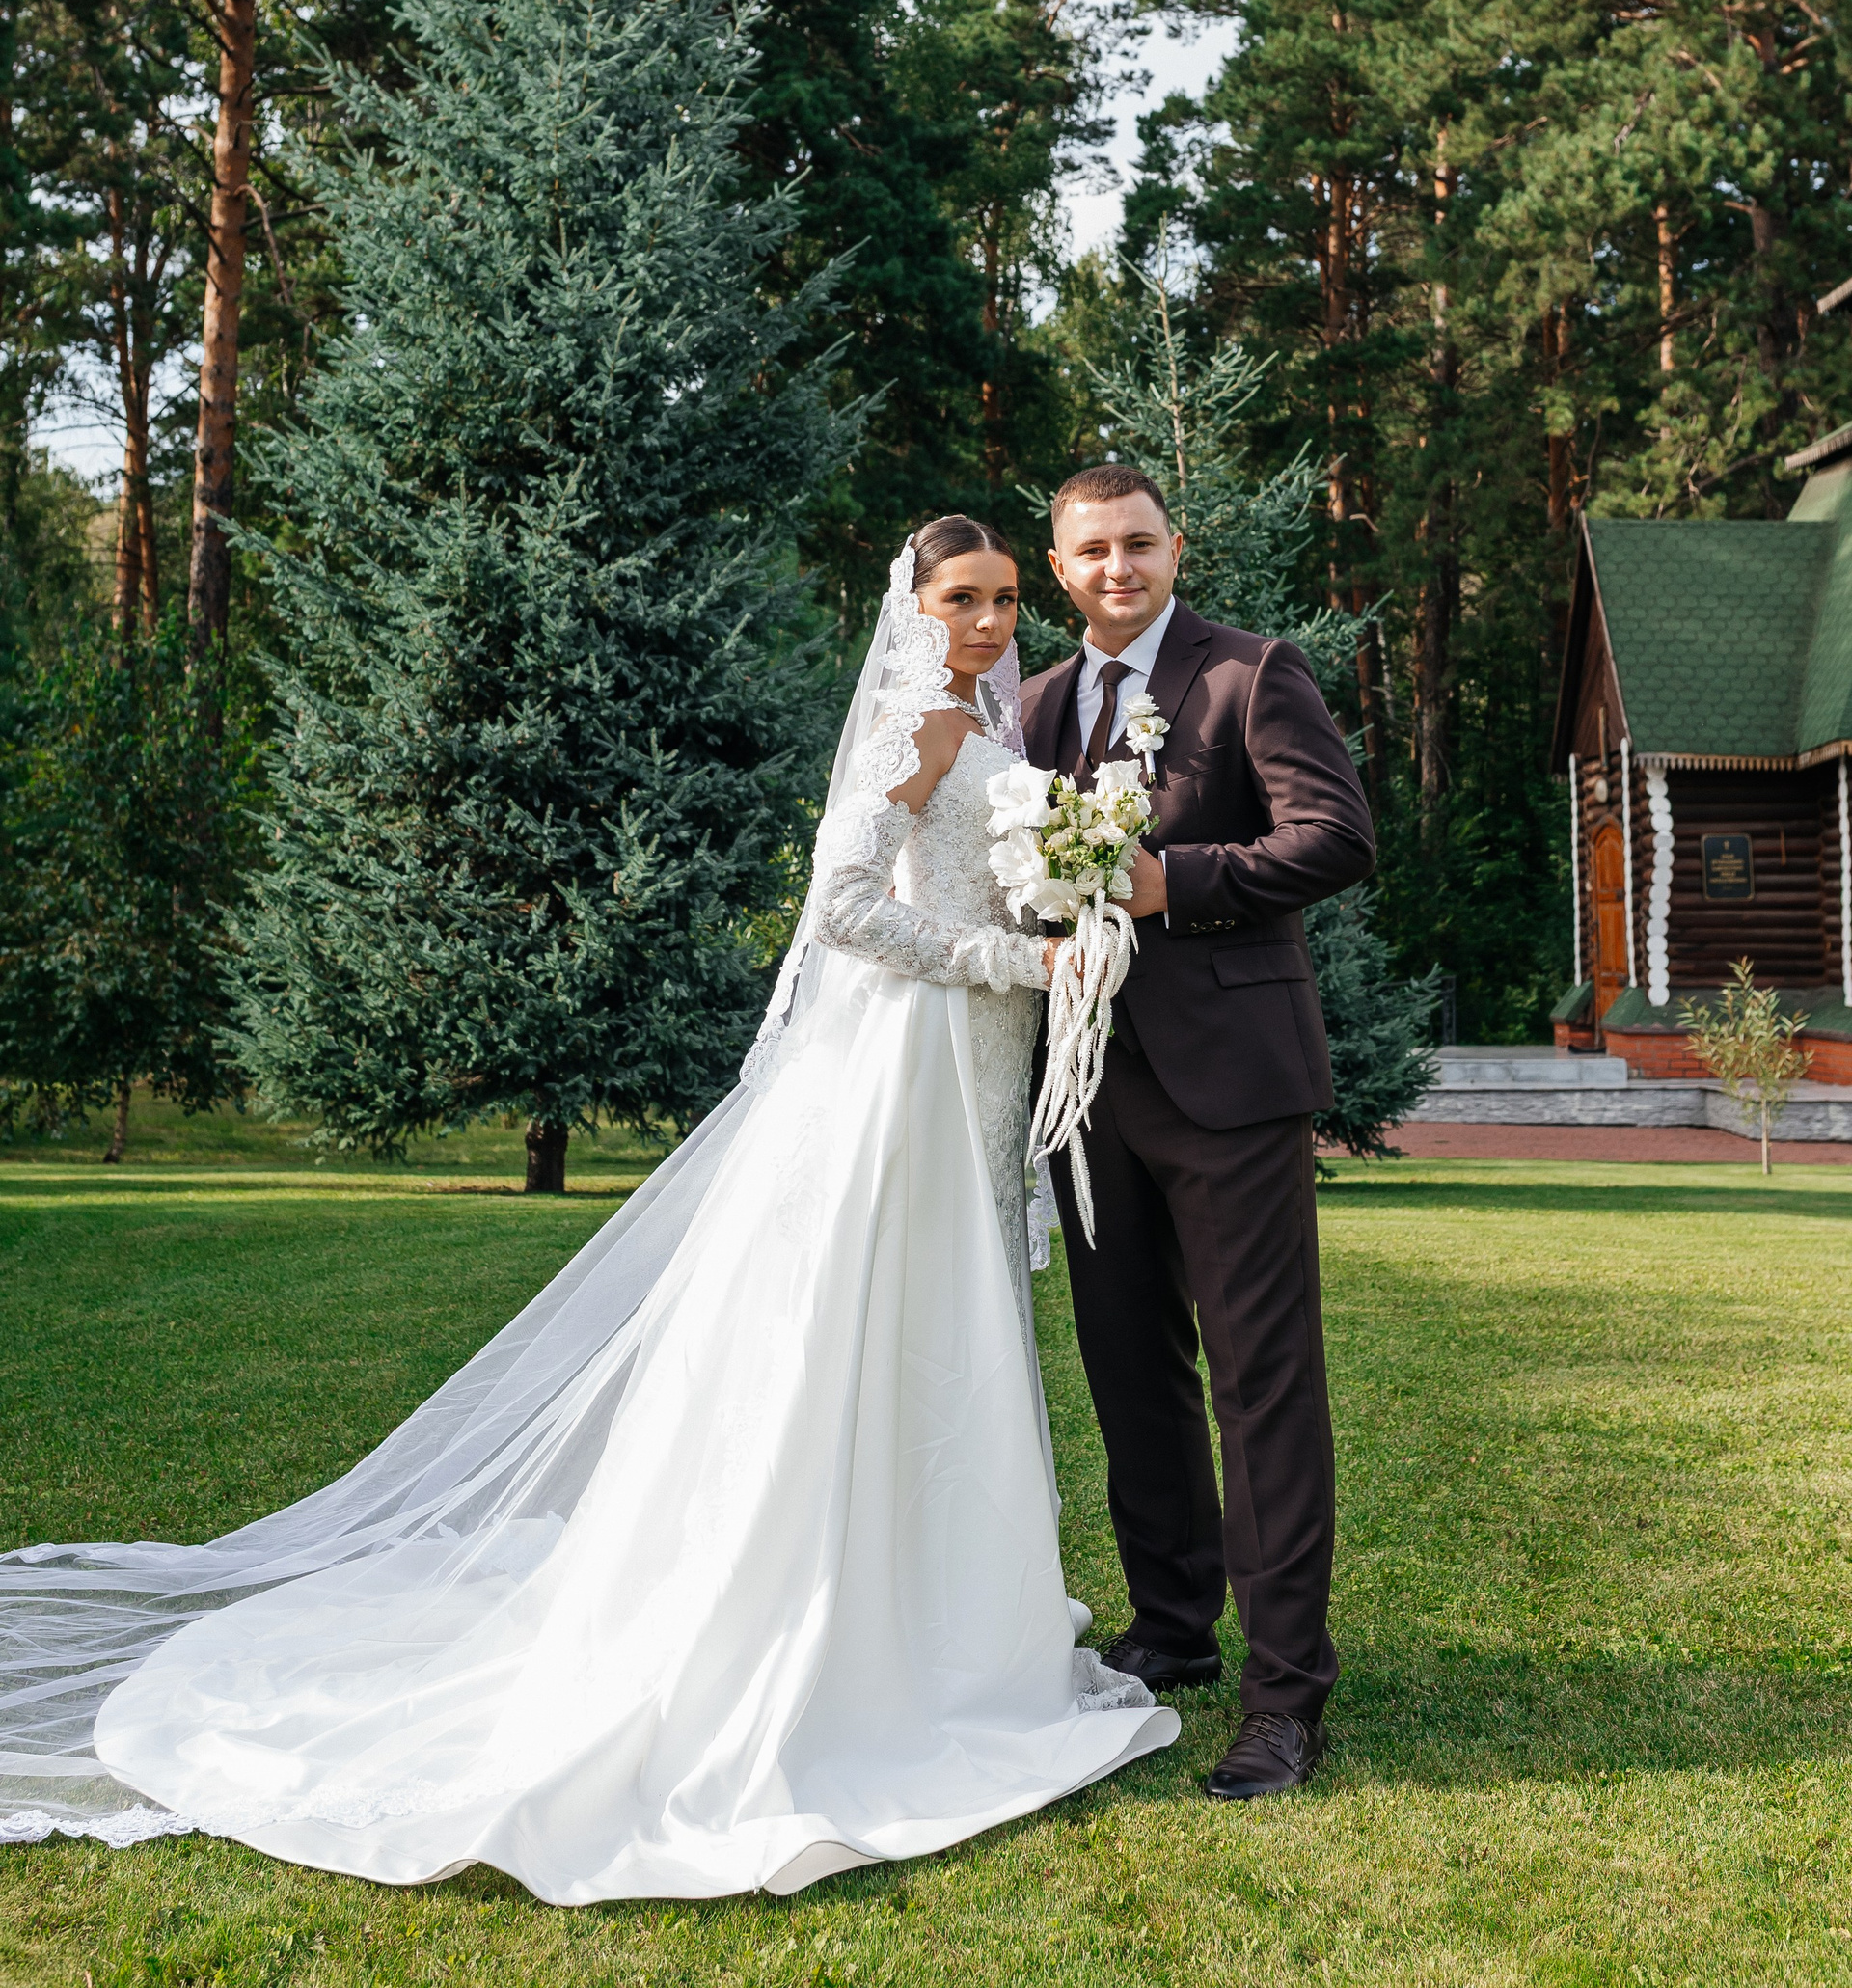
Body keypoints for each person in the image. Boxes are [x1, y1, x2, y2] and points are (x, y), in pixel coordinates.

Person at [0, 517, 1176, 1901]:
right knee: (872, 1321)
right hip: (900, 1070)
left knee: (945, 1322)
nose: (986, 622)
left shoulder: (988, 723)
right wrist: (1014, 959)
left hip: (970, 1062)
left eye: (1004, 599)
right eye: (960, 598)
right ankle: (840, 1630)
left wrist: (1062, 917)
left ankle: (940, 1609)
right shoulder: (917, 724)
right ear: (912, 609)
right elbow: (845, 909)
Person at [1020, 464, 1375, 1802]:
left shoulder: (1249, 674)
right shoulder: (1033, 706)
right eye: (1092, 550)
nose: (1117, 568)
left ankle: (1285, 1698)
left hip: (1231, 1081)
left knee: (1260, 1383)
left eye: (1139, 544)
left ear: (1175, 550)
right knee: (1130, 1371)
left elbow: (1336, 838)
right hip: (1085, 1083)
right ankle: (1172, 1628)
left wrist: (1178, 881)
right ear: (1061, 569)